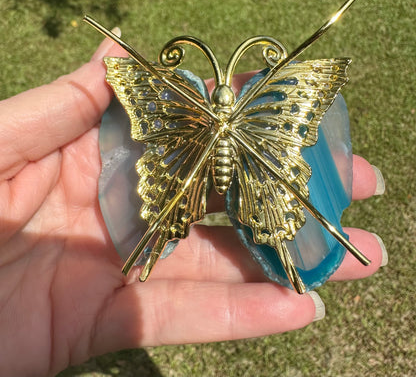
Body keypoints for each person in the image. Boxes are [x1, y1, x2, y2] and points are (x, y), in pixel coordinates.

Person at [0, 30, 387, 377]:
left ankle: (258, 238)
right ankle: (161, 237)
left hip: (210, 159)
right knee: (204, 202)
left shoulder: (188, 101)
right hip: (202, 160)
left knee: (279, 201)